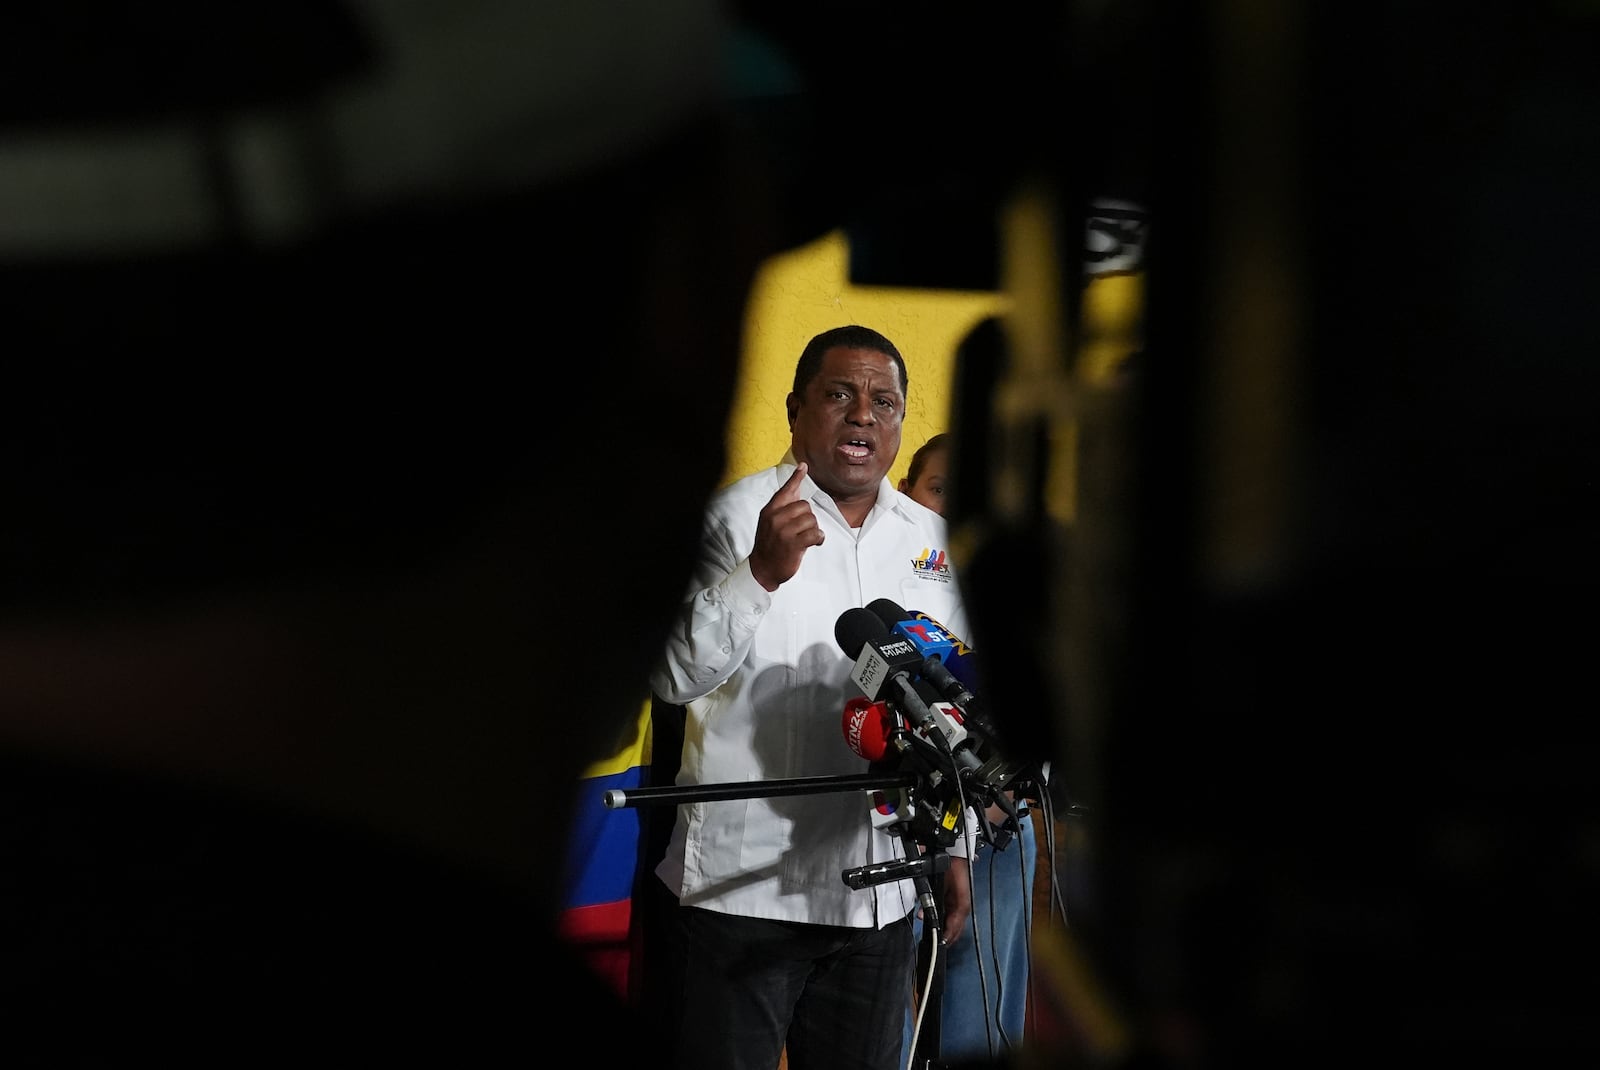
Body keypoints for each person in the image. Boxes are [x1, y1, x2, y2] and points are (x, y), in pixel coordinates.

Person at [640, 325, 977, 1070]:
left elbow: (945, 713)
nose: (863, 414)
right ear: (796, 411)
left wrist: (954, 849)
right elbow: (671, 675)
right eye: (839, 395)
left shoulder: (931, 542)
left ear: (900, 425)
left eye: (883, 401)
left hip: (880, 899)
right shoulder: (730, 519)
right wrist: (759, 572)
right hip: (743, 897)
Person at [899, 431, 1039, 1066]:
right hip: (900, 816)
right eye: (940, 490)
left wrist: (1001, 792)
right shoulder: (876, 575)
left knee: (982, 999)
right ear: (906, 495)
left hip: (1001, 816)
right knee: (890, 1001)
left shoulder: (1013, 583)